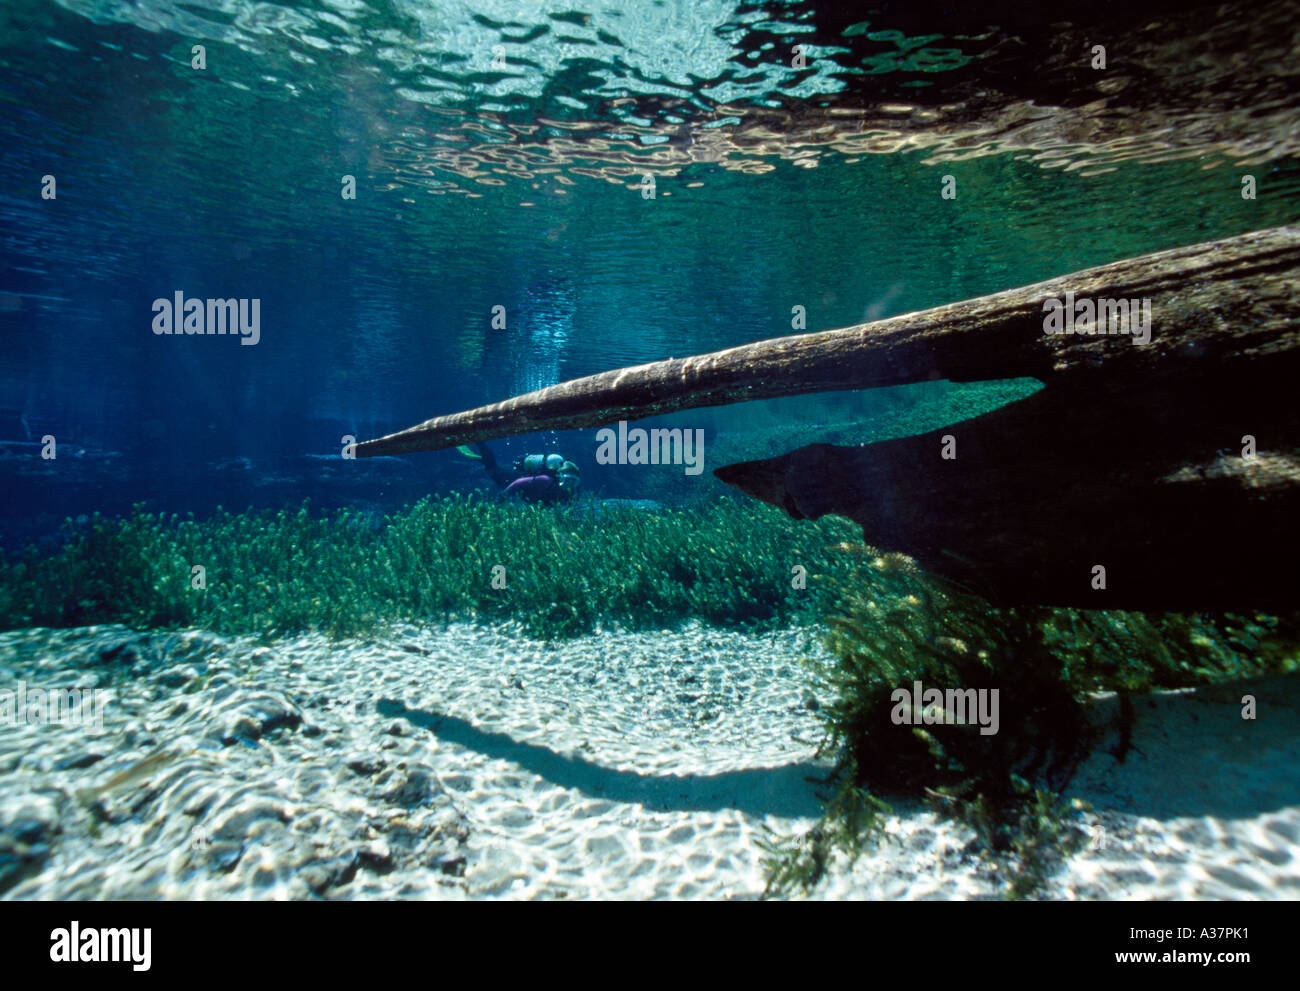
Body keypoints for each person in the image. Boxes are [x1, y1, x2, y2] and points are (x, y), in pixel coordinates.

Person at [464, 443, 580, 504]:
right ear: (560, 476)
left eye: (573, 482)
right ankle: (478, 440)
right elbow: (519, 482)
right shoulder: (546, 480)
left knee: (490, 466)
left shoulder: (565, 493)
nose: (569, 485)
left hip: (516, 487)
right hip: (509, 481)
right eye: (568, 479)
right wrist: (503, 494)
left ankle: (484, 458)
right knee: (492, 467)